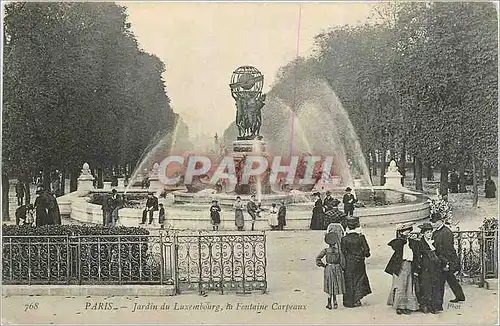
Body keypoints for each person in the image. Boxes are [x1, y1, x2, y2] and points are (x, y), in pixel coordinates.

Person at [431, 212, 465, 305]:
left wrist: (447, 263)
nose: (433, 224)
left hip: (446, 260)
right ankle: (460, 296)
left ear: (440, 221)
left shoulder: (446, 232)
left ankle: (438, 303)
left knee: (441, 280)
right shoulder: (437, 231)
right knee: (451, 279)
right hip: (442, 259)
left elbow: (448, 249)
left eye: (434, 222)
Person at [385, 223, 420, 315]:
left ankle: (407, 306)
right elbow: (394, 245)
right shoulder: (399, 242)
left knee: (408, 286)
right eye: (405, 231)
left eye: (408, 231)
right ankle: (399, 306)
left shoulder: (412, 242)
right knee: (400, 286)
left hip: (409, 265)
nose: (407, 233)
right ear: (401, 232)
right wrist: (401, 237)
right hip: (400, 266)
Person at [341, 217, 372, 308]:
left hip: (349, 262)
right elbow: (367, 251)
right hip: (359, 261)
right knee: (359, 279)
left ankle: (348, 301)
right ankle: (357, 299)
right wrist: (364, 254)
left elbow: (343, 251)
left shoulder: (344, 238)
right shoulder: (361, 237)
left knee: (349, 280)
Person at [316, 224, 346, 310]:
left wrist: (323, 265)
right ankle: (335, 301)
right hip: (337, 268)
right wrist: (342, 268)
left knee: (329, 285)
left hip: (328, 268)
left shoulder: (326, 250)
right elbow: (343, 261)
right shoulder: (338, 251)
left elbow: (318, 259)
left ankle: (329, 302)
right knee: (335, 284)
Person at [416, 222, 442, 314]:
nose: (429, 234)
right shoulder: (420, 243)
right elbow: (418, 257)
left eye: (431, 232)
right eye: (427, 232)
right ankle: (425, 305)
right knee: (426, 287)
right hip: (425, 268)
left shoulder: (434, 242)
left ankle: (433, 306)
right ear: (423, 233)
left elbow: (439, 254)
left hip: (434, 268)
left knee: (434, 286)